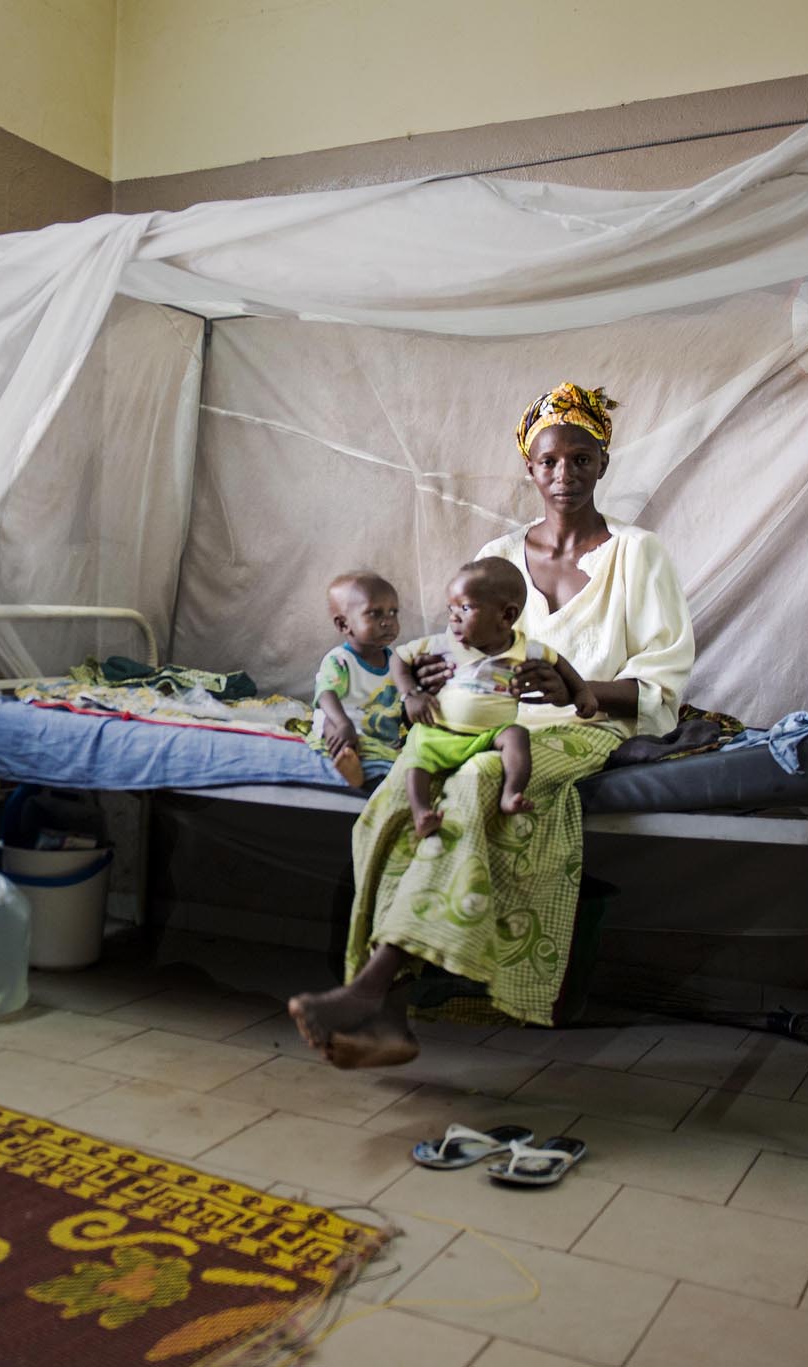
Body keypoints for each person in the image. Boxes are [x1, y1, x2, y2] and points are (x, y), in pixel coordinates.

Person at [289, 383, 694, 1071]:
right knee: (395, 797)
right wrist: (432, 684)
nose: (563, 474)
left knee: (480, 778)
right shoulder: (500, 551)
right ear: (529, 470)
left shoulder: (638, 553)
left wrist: (581, 687)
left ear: (603, 464)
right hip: (481, 718)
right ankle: (389, 1014)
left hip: (580, 724)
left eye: (580, 458)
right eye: (548, 461)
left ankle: (372, 986)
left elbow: (663, 684)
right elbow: (461, 645)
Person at [392, 558, 599, 839]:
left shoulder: (525, 649)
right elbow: (399, 658)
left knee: (517, 736)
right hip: (440, 732)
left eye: (464, 608)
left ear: (506, 616)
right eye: (450, 608)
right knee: (415, 763)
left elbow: (559, 662)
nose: (453, 618)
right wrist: (410, 694)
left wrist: (581, 692)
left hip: (489, 736)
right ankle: (421, 813)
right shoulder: (445, 645)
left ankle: (511, 793)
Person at [311, 572, 406, 789]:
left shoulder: (396, 662)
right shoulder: (340, 660)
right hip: (345, 724)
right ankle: (347, 761)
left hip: (380, 735)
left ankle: (371, 763)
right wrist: (344, 723)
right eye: (375, 614)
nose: (388, 622)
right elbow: (326, 694)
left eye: (393, 613)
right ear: (344, 624)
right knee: (329, 723)